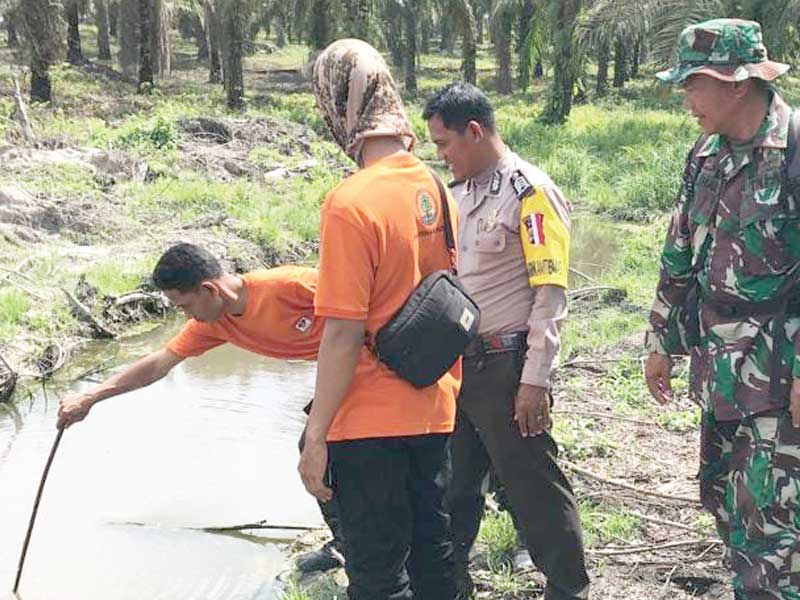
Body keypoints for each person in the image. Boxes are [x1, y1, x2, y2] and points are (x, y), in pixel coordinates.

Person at [56, 242, 344, 573]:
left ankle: (371, 544)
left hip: (380, 363)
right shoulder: (215, 323)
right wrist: (90, 398)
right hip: (340, 375)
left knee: (330, 449)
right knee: (313, 449)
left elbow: (372, 305)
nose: (187, 316)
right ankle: (346, 543)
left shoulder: (293, 285)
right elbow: (157, 366)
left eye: (184, 306)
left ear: (208, 289)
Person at [298, 39, 461, 600]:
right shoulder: (437, 188)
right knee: (434, 556)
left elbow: (343, 332)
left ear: (337, 102)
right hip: (434, 405)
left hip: (368, 419)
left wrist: (315, 436)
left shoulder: (350, 202)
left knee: (376, 572)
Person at [643, 18, 800, 600]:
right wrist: (661, 338)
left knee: (774, 527)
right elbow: (679, 246)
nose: (685, 96)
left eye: (692, 83)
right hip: (719, 371)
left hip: (779, 373)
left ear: (737, 83)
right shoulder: (706, 151)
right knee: (725, 503)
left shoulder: (794, 150)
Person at [424, 82, 590, 600]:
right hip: (459, 368)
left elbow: (550, 294)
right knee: (453, 487)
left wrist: (534, 380)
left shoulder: (530, 192)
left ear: (474, 132)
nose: (442, 157)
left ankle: (567, 587)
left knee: (531, 486)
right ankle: (451, 586)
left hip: (507, 366)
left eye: (445, 144)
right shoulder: (458, 194)